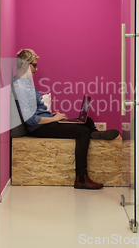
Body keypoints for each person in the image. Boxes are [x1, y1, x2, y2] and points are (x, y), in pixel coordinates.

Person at [12, 49, 120, 189]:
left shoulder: (26, 84)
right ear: (25, 65)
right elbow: (30, 119)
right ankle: (81, 178)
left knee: (88, 121)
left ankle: (95, 134)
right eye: (34, 65)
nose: (37, 69)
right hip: (39, 128)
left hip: (45, 122)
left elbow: (35, 110)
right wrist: (52, 119)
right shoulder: (20, 87)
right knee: (82, 132)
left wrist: (51, 115)